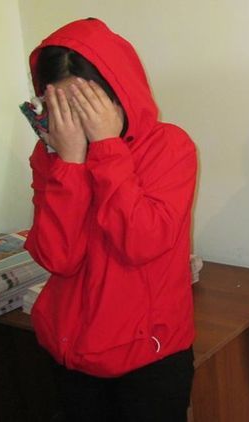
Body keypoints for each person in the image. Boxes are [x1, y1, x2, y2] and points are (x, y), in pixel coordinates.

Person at [24, 18, 198, 421]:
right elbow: (58, 257)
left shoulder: (170, 146)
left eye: (88, 105)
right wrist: (69, 164)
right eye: (63, 108)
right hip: (71, 350)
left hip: (147, 357)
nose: (77, 121)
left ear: (120, 93)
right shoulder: (53, 156)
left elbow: (140, 242)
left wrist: (105, 148)